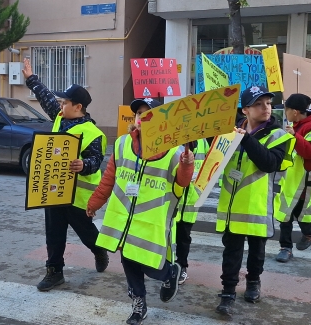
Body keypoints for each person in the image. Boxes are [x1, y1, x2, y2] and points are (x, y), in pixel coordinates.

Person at [87, 98, 193, 325]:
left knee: (151, 267)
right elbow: (109, 179)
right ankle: (138, 304)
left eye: (150, 114)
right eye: (139, 114)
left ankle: (169, 274)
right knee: (128, 261)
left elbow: (182, 183)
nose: (143, 118)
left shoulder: (174, 151)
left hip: (151, 222)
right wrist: (94, 203)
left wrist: (186, 164)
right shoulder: (123, 144)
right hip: (125, 220)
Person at [22, 58, 110, 291]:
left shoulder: (93, 133)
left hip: (78, 198)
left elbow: (96, 161)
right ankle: (54, 272)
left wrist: (84, 165)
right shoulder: (61, 118)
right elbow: (47, 99)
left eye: (65, 102)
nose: (60, 105)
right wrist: (32, 79)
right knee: (54, 234)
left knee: (86, 233)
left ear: (78, 106)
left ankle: (98, 249)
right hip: (54, 191)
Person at [215, 86, 295, 316]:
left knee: (256, 252)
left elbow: (270, 163)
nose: (266, 108)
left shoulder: (279, 135)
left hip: (258, 205)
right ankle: (228, 291)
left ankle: (253, 283)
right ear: (245, 109)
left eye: (268, 103)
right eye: (259, 104)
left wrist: (247, 140)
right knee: (231, 252)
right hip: (232, 206)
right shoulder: (229, 131)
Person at [274, 94, 311, 262]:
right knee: (285, 217)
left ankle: (308, 233)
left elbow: (310, 152)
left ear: (295, 112)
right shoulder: (296, 125)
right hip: (290, 182)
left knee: (303, 217)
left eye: (287, 110)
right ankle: (285, 248)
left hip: (305, 185)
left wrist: (294, 136)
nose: (285, 113)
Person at [175, 138, 209, 284]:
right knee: (167, 236)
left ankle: (181, 266)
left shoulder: (202, 143)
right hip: (173, 197)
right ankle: (166, 265)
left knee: (184, 238)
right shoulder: (173, 139)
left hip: (191, 198)